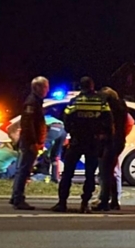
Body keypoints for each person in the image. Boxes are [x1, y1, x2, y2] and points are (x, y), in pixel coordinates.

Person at [52, 76, 112, 214]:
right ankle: (85, 204)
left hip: (77, 141)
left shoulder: (76, 101)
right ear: (92, 86)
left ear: (81, 86)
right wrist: (103, 137)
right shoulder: (101, 102)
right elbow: (108, 121)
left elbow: (66, 119)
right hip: (93, 142)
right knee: (90, 174)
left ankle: (62, 203)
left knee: (67, 173)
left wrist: (72, 132)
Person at [11, 77, 49, 210]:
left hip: (30, 142)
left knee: (22, 169)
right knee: (24, 170)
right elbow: (28, 125)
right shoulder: (32, 103)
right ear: (38, 87)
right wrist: (33, 142)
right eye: (45, 87)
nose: (47, 90)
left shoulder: (35, 102)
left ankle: (15, 196)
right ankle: (18, 198)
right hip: (29, 142)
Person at [95, 87, 128, 212]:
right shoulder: (121, 107)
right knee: (109, 171)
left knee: (105, 172)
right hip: (119, 141)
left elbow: (105, 125)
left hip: (109, 141)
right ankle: (114, 200)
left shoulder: (109, 108)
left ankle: (104, 201)